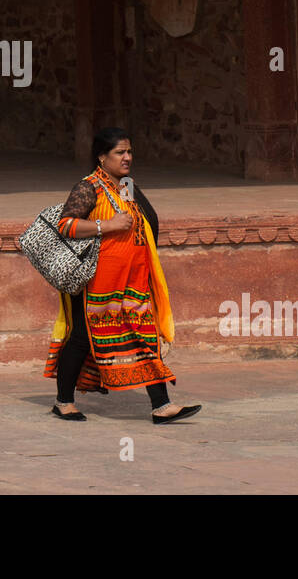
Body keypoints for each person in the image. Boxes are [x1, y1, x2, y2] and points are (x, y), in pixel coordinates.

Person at [43, 127, 201, 424]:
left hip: (133, 280)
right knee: (82, 339)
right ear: (102, 157)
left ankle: (161, 405)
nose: (127, 157)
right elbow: (65, 225)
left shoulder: (126, 186)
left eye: (129, 152)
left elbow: (143, 222)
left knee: (145, 337)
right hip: (96, 282)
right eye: (120, 152)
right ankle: (63, 402)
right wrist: (108, 226)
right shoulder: (88, 187)